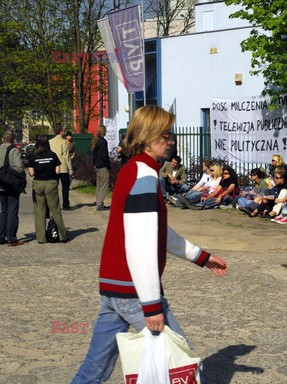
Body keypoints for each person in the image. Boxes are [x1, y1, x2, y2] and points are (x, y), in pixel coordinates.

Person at [71, 105, 227, 384]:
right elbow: (141, 244)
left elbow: (156, 231)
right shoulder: (143, 175)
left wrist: (201, 257)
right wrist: (152, 305)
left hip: (112, 287)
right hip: (133, 292)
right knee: (183, 365)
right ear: (147, 136)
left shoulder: (135, 170)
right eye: (166, 135)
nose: (171, 141)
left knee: (92, 372)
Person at [27, 135, 68, 243]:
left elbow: (31, 173)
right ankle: (62, 235)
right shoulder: (53, 155)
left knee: (39, 210)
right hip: (51, 183)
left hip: (38, 184)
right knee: (55, 209)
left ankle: (41, 238)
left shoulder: (32, 156)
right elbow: (57, 171)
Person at [0, 130, 24, 246]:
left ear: (2, 139)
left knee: (3, 211)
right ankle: (11, 238)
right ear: (14, 140)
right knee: (12, 211)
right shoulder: (14, 150)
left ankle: (1, 236)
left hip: (0, 185)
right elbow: (19, 167)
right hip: (11, 184)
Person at [49, 125, 72, 210]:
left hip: (53, 167)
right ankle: (65, 204)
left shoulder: (50, 141)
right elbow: (66, 156)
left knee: (54, 187)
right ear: (61, 131)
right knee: (65, 187)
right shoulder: (64, 142)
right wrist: (70, 168)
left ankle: (54, 204)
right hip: (62, 167)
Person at [91, 125, 111, 211]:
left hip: (97, 166)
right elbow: (104, 155)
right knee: (104, 186)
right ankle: (100, 204)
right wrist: (108, 164)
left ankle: (99, 202)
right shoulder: (103, 141)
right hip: (103, 166)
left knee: (99, 186)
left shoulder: (95, 141)